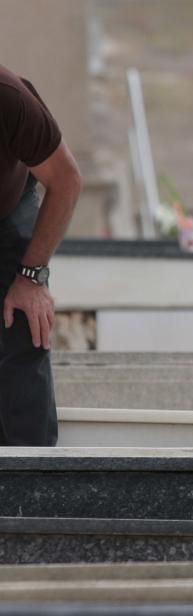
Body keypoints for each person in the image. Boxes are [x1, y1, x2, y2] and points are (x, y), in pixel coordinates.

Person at [0, 64, 82, 445]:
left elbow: (66, 181)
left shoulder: (9, 98)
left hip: (7, 208)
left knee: (21, 323)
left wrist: (32, 279)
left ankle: (30, 482)